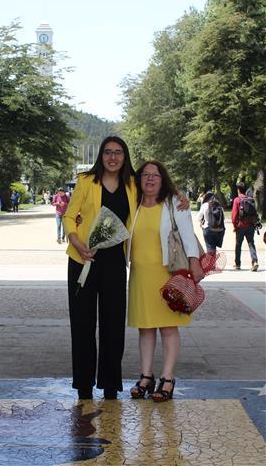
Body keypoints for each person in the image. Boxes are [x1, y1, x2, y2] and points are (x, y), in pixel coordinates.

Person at [63, 136, 189, 400]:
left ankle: (110, 386)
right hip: (83, 261)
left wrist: (180, 196)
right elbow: (68, 215)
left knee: (112, 326)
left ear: (125, 156)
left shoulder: (133, 184)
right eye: (108, 152)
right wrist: (76, 242)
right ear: (101, 155)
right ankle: (84, 386)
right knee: (83, 325)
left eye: (118, 152)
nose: (112, 157)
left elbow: (158, 188)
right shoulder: (86, 181)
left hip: (115, 264)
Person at [128, 161, 204, 402]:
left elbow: (188, 235)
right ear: (138, 180)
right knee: (145, 327)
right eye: (145, 175)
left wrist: (194, 262)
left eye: (156, 175)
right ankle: (146, 377)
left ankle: (168, 378)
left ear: (163, 180)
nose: (150, 179)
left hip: (168, 273)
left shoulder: (174, 204)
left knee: (168, 327)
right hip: (140, 274)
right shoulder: (133, 203)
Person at [232, 182, 259, 271]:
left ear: (238, 190)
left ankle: (237, 264)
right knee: (251, 243)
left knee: (238, 244)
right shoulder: (251, 199)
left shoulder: (237, 200)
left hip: (240, 225)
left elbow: (234, 215)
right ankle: (254, 261)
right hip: (251, 225)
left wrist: (234, 225)